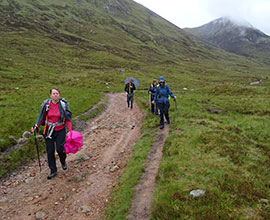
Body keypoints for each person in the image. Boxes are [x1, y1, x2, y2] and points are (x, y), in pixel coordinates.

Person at [32, 88, 72, 179]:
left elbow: (68, 119)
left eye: (57, 93)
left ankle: (63, 160)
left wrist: (70, 131)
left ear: (59, 95)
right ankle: (53, 170)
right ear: (50, 95)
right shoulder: (46, 105)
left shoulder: (63, 105)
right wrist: (36, 126)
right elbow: (41, 117)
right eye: (53, 93)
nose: (55, 95)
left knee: (60, 148)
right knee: (50, 151)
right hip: (48, 131)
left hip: (60, 130)